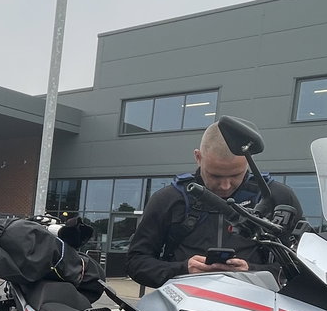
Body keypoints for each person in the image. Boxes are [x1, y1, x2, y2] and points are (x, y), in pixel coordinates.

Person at [125, 120, 302, 289]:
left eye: (235, 175)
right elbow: (136, 262)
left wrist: (252, 271)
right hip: (186, 306)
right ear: (198, 157)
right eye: (215, 175)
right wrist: (183, 269)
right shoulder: (169, 199)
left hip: (257, 307)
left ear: (249, 161)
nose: (225, 185)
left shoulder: (276, 197)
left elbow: (303, 263)